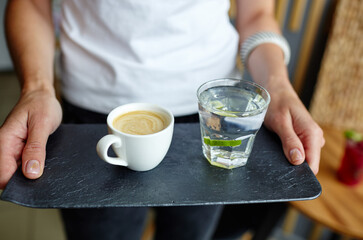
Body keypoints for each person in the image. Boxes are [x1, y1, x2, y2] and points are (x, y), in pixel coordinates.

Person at [0, 0, 325, 239]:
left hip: (209, 121)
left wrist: (279, 88)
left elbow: (256, 15)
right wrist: (37, 88)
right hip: (95, 114)